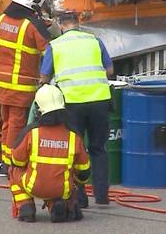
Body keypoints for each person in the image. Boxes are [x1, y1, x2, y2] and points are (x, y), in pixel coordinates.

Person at [40, 11, 113, 208]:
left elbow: (44, 77)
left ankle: (80, 198)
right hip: (99, 100)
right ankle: (102, 197)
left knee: (74, 149)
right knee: (99, 148)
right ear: (78, 23)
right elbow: (109, 70)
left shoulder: (55, 45)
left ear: (61, 25)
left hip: (72, 104)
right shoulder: (94, 41)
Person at [0, 0, 50, 172]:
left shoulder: (2, 19)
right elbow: (49, 52)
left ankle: (5, 160)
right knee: (16, 124)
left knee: (6, 122)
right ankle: (11, 164)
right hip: (22, 87)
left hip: (3, 83)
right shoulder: (32, 25)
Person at [9, 84, 90, 222]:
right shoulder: (73, 135)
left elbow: (17, 161)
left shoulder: (31, 133)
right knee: (69, 180)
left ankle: (25, 206)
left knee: (13, 170)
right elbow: (83, 172)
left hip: (33, 186)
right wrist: (76, 187)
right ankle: (58, 206)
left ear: (39, 109)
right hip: (62, 190)